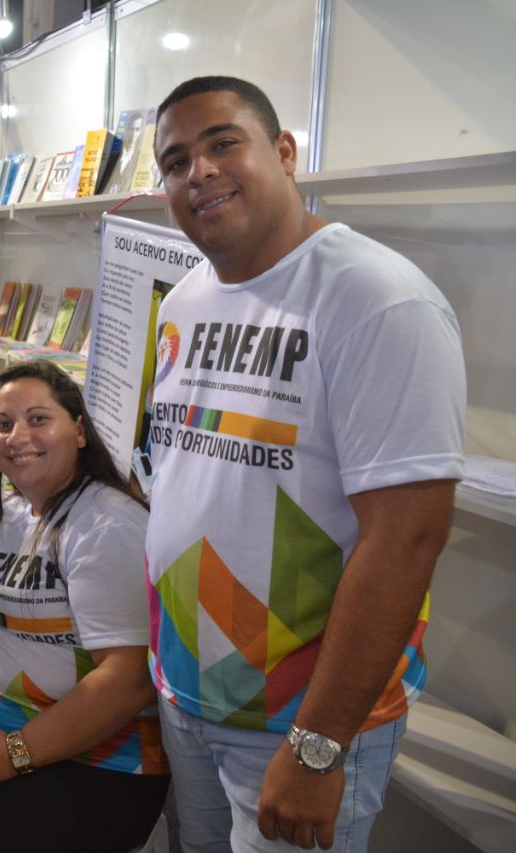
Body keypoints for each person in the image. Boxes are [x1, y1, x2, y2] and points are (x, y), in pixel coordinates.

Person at [146, 76, 465, 852]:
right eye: (177, 159)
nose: (201, 172)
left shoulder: (378, 300)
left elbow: (407, 539)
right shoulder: (185, 300)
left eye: (224, 142)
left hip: (299, 723)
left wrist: (319, 743)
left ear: (285, 153)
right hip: (188, 694)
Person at [0, 361, 168, 852]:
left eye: (38, 419)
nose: (18, 435)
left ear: (79, 432)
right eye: (3, 424)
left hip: (94, 765)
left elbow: (128, 677)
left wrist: (16, 753)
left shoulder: (106, 525)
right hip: (1, 738)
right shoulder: (13, 514)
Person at [104, 110, 146, 195]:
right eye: (131, 129)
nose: (133, 134)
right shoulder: (112, 157)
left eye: (137, 130)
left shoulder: (140, 159)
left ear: (140, 132)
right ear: (126, 130)